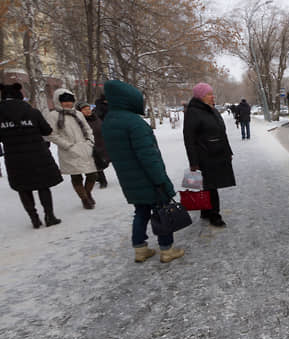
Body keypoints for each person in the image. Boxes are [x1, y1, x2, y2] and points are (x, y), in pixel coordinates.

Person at [101, 79, 184, 263]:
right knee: (162, 211)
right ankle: (167, 249)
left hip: (129, 179)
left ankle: (140, 249)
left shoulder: (109, 121)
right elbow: (148, 156)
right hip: (148, 178)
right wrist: (161, 181)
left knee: (141, 212)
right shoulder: (134, 123)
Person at [0, 82, 62, 228]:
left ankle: (34, 219)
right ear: (20, 95)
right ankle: (50, 216)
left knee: (23, 187)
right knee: (43, 185)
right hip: (38, 154)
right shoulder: (33, 112)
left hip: (15, 157)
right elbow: (46, 130)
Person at [183, 82, 235, 227]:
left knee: (208, 185)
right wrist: (193, 162)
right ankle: (215, 215)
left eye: (212, 93)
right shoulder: (193, 112)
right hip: (204, 155)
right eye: (209, 94)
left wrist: (228, 151)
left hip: (217, 153)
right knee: (211, 186)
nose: (213, 96)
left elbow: (221, 133)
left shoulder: (212, 110)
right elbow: (189, 139)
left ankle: (206, 211)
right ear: (200, 97)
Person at [45, 89, 98, 209]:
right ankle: (84, 198)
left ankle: (88, 192)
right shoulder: (53, 115)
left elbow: (87, 128)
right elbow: (51, 134)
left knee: (92, 174)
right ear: (58, 101)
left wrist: (90, 141)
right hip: (68, 150)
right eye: (65, 101)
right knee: (76, 176)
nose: (68, 104)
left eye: (70, 101)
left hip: (85, 148)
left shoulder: (78, 114)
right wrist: (67, 145)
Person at [78, 101, 111, 188]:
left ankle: (97, 177)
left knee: (102, 162)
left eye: (89, 109)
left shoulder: (95, 117)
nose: (88, 111)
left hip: (102, 142)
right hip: (89, 145)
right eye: (84, 109)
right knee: (96, 163)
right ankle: (102, 181)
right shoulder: (79, 122)